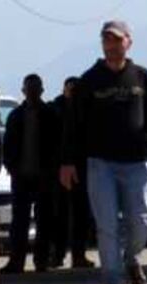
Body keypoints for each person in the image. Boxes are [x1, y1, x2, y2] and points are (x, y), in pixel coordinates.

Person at [60, 20, 147, 284]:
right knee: (107, 225)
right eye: (107, 40)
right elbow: (73, 124)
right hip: (100, 163)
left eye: (117, 39)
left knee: (141, 220)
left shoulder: (142, 77)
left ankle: (132, 258)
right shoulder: (90, 80)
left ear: (129, 41)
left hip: (136, 162)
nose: (112, 45)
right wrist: (67, 161)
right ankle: (113, 282)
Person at [3, 74, 63, 274]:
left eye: (36, 89)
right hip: (21, 176)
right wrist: (11, 167)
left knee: (45, 220)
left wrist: (53, 170)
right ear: (23, 91)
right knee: (19, 221)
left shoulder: (51, 115)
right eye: (29, 89)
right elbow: (8, 145)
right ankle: (16, 261)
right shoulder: (15, 116)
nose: (32, 93)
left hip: (45, 177)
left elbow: (58, 145)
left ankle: (41, 261)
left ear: (42, 91)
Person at [51, 77, 95, 270]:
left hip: (82, 168)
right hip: (58, 169)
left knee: (80, 215)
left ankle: (78, 255)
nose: (72, 93)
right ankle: (57, 255)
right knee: (59, 215)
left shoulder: (84, 111)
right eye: (70, 89)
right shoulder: (55, 110)